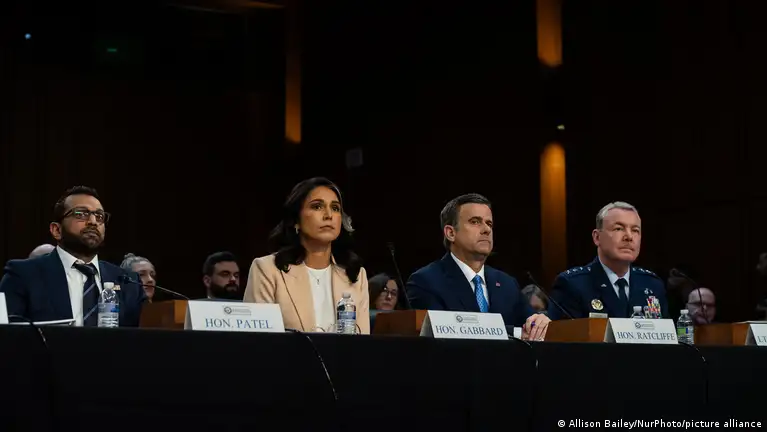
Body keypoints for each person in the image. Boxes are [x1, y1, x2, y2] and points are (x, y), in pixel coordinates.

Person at [406, 193, 549, 340]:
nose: (486, 229)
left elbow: (532, 326)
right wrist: (517, 332)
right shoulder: (426, 282)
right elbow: (444, 333)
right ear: (451, 233)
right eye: (475, 222)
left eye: (489, 223)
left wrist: (540, 322)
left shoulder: (507, 283)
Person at [0, 186, 147, 326]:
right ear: (57, 230)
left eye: (99, 216)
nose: (93, 222)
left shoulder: (128, 282)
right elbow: (8, 335)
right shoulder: (23, 275)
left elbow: (143, 337)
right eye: (81, 214)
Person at [243, 177, 370, 334]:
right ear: (296, 220)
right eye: (317, 207)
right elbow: (258, 340)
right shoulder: (267, 270)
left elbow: (363, 342)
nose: (329, 215)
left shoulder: (356, 275)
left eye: (335, 208)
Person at [548, 201, 667, 319]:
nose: (629, 237)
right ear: (597, 237)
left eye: (635, 230)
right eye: (618, 229)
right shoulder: (572, 285)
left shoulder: (652, 284)